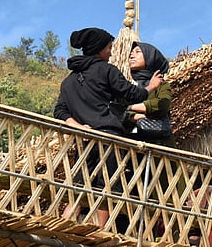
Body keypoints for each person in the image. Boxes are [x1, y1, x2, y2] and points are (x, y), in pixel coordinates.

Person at [54, 27, 163, 228]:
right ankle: (98, 231)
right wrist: (151, 87)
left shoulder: (68, 82)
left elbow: (60, 111)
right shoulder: (106, 70)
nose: (112, 51)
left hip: (83, 140)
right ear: (99, 49)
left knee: (78, 187)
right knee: (105, 188)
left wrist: (80, 127)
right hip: (108, 138)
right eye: (109, 47)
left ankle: (61, 227)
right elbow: (132, 94)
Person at [123, 41, 173, 145]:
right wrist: (136, 116)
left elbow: (162, 104)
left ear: (150, 58)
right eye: (131, 53)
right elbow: (115, 110)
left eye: (137, 52)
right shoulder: (125, 85)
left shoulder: (161, 85)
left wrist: (129, 107)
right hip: (127, 145)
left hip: (157, 146)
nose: (131, 55)